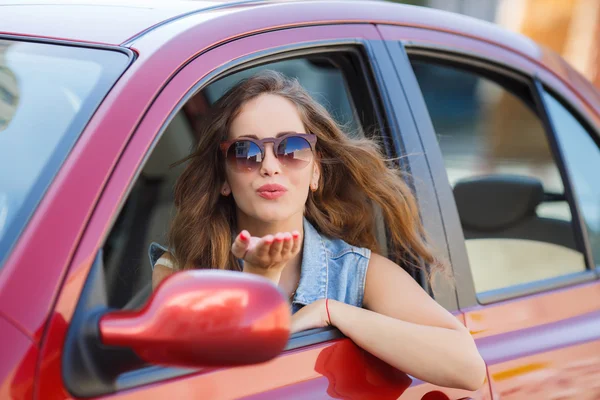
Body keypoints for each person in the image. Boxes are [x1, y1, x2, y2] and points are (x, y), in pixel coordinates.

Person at [149, 70, 486, 391]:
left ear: (316, 174)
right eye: (245, 151)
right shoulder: (181, 272)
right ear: (223, 177)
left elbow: (468, 367)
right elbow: (208, 386)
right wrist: (260, 282)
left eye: (291, 149)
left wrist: (331, 311)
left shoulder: (356, 272)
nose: (269, 166)